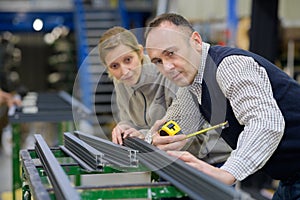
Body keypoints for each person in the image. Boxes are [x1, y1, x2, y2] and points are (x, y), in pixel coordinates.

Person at [144, 13, 300, 199]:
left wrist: (226, 173)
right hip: (290, 177)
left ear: (195, 41)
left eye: (171, 53)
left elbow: (266, 122)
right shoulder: (193, 85)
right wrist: (152, 141)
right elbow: (176, 124)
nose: (167, 67)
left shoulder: (229, 66)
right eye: (158, 61)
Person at [98, 26, 231, 165]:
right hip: (167, 160)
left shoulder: (168, 73)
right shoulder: (121, 82)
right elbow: (130, 121)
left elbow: (185, 133)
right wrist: (123, 128)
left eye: (128, 60)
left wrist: (143, 136)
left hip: (209, 158)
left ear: (139, 52)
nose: (124, 71)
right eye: (114, 66)